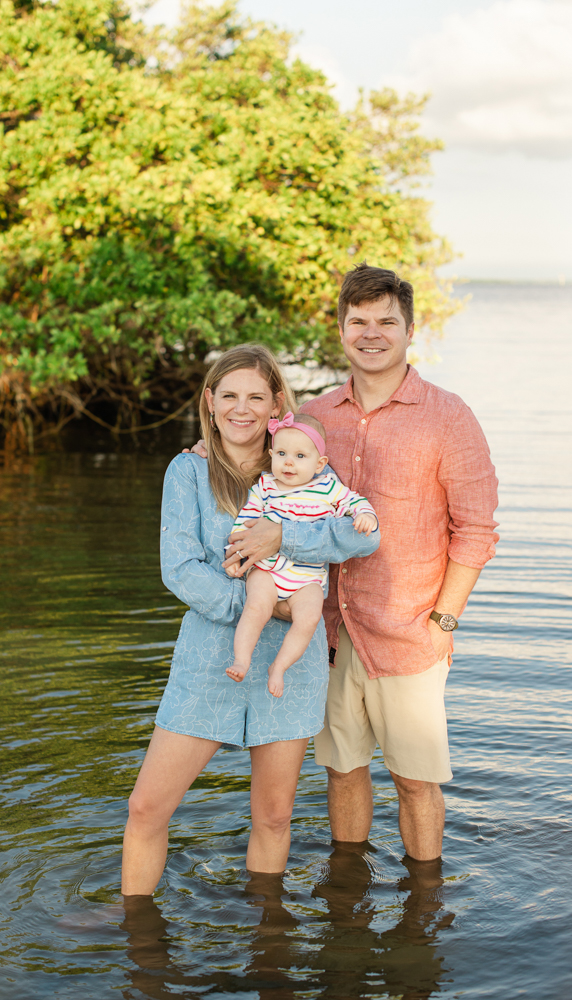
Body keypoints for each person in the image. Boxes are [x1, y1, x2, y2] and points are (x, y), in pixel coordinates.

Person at [219, 263, 499, 861]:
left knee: (415, 782)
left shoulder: (448, 416)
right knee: (342, 773)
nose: (372, 333)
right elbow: (247, 449)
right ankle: (348, 906)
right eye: (358, 321)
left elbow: (475, 531)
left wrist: (443, 621)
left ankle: (425, 911)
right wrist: (203, 445)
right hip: (325, 633)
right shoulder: (314, 420)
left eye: (386, 322)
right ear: (341, 329)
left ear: (410, 328)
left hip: (409, 634)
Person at [121, 344, 380, 896]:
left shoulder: (301, 464)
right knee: (146, 807)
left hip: (288, 669)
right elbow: (180, 569)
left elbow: (366, 535)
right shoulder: (187, 470)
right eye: (230, 396)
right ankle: (136, 937)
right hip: (209, 660)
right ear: (209, 402)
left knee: (273, 818)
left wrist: (284, 535)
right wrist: (269, 607)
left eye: (256, 397)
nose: (242, 408)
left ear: (275, 404)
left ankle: (269, 940)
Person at [226, 412, 378, 697]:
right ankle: (241, 659)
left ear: (320, 464)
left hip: (307, 576)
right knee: (256, 606)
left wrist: (365, 515)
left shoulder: (328, 487)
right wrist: (236, 558)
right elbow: (244, 523)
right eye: (281, 453)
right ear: (271, 454)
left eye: (300, 456)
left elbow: (354, 501)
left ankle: (279, 667)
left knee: (308, 618)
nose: (289, 462)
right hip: (268, 569)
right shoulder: (265, 486)